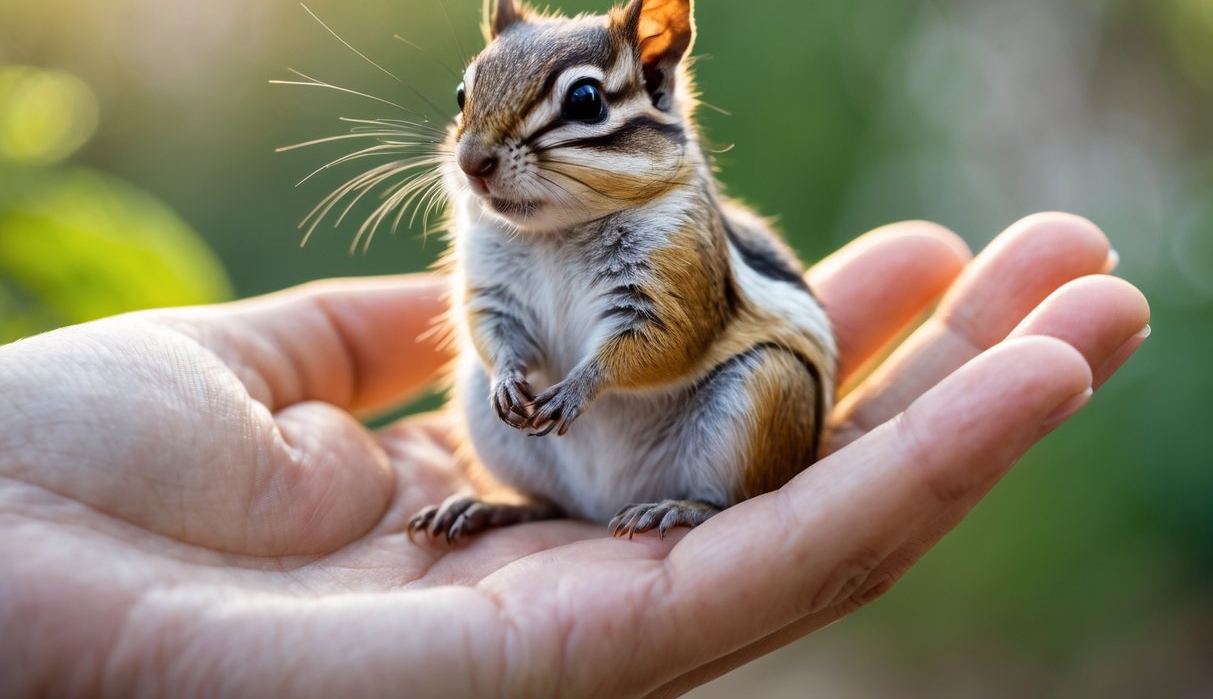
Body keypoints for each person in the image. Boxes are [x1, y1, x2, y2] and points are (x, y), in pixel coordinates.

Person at [0, 213, 1149, 697]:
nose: (497, 161)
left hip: (701, 414)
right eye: (475, 119)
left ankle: (706, 499)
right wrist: (512, 364)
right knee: (477, 382)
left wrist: (595, 374)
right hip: (565, 465)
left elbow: (670, 332)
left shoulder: (665, 220)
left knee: (764, 370)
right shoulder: (494, 207)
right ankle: (522, 501)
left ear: (657, 83)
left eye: (579, 106)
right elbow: (492, 313)